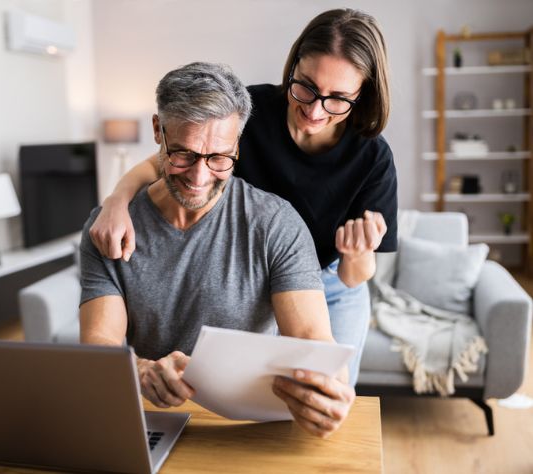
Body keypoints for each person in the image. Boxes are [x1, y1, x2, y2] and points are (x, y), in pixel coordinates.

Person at [88, 9, 398, 386]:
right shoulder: (251, 110)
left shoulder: (372, 157)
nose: (315, 110)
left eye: (337, 99)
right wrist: (116, 201)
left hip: (331, 280)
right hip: (259, 273)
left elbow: (355, 276)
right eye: (306, 87)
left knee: (328, 390)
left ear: (362, 93)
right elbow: (173, 159)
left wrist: (357, 252)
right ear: (293, 66)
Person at [80, 62, 355, 439]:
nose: (199, 177)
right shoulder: (109, 228)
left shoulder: (276, 223)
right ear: (158, 130)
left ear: (237, 145)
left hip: (243, 432)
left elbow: (313, 338)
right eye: (183, 155)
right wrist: (140, 369)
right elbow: (99, 345)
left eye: (218, 158)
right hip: (149, 424)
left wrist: (331, 388)